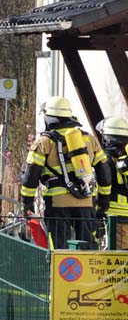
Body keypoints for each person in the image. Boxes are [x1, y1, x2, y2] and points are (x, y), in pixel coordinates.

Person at [20, 96, 112, 248]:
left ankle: (60, 272)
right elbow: (104, 173)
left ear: (48, 118)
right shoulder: (89, 139)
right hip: (86, 201)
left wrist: (27, 203)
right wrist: (103, 201)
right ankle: (87, 271)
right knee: (87, 246)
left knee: (58, 246)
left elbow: (31, 176)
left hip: (57, 203)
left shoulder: (44, 142)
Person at [98, 116, 128, 248]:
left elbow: (103, 185)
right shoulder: (125, 158)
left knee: (115, 260)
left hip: (114, 216)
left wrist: (98, 210)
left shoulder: (105, 158)